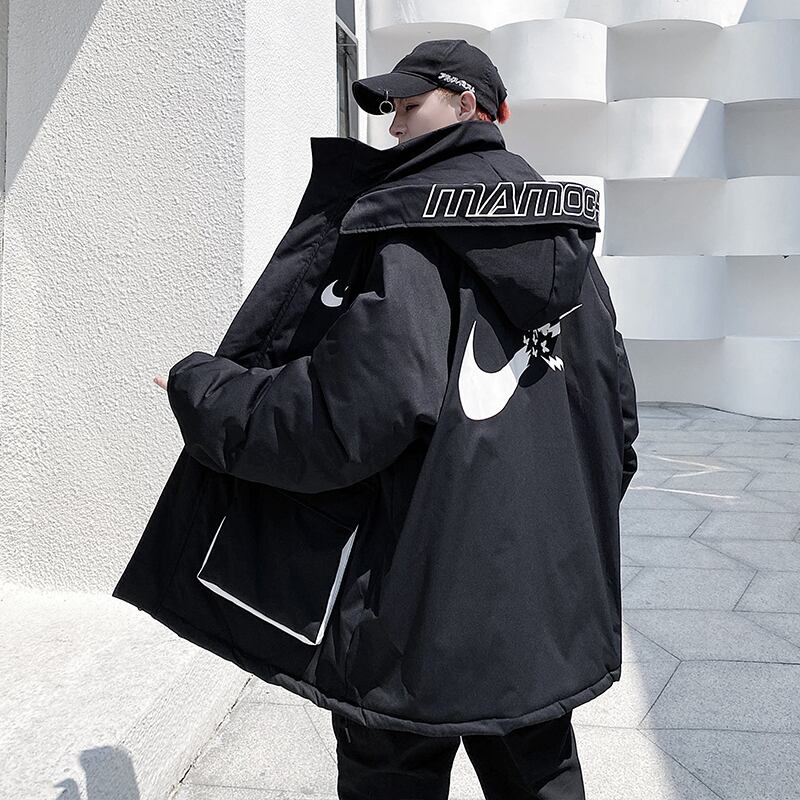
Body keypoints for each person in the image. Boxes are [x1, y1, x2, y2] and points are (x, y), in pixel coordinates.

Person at [122, 37, 638, 800]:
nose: (393, 126)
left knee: (390, 775)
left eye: (409, 105)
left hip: (413, 616)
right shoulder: (569, 244)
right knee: (541, 777)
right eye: (390, 109)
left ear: (467, 105)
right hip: (542, 615)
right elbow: (619, 427)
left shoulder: (414, 232)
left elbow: (344, 420)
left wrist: (207, 392)